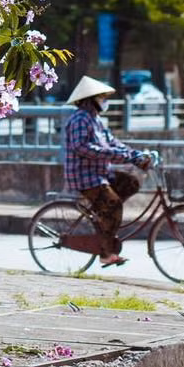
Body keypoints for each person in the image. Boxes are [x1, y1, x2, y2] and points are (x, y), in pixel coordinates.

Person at [64, 75, 154, 267]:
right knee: (113, 205)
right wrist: (113, 154)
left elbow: (114, 143)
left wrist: (135, 155)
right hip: (85, 176)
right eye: (102, 98)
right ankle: (106, 253)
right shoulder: (80, 119)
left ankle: (104, 217)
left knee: (131, 182)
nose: (105, 101)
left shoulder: (96, 121)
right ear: (91, 99)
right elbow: (82, 147)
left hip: (100, 174)